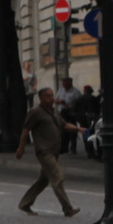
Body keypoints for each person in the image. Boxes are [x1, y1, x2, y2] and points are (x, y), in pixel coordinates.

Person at [19, 87, 79, 217]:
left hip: (54, 151)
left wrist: (79, 129)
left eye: (52, 95)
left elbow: (64, 125)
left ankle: (25, 204)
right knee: (57, 176)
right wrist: (21, 148)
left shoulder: (54, 112)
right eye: (48, 96)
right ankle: (67, 208)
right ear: (41, 98)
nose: (51, 98)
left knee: (43, 180)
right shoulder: (35, 112)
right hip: (44, 151)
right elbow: (25, 131)